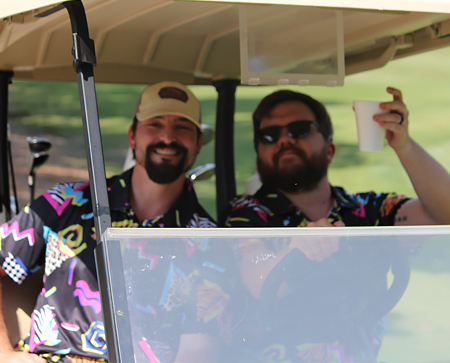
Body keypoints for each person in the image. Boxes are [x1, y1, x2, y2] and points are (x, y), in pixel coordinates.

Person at [0, 81, 233, 363]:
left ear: (197, 145)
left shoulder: (209, 240)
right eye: (155, 124)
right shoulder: (65, 201)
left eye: (182, 126)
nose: (168, 137)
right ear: (132, 137)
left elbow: (199, 345)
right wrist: (5, 353)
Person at [220, 87, 450, 362]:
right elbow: (256, 276)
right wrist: (293, 252)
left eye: (299, 130)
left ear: (329, 149)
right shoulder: (248, 214)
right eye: (270, 135)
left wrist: (405, 146)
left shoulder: (368, 212)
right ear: (260, 152)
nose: (284, 140)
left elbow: (443, 215)